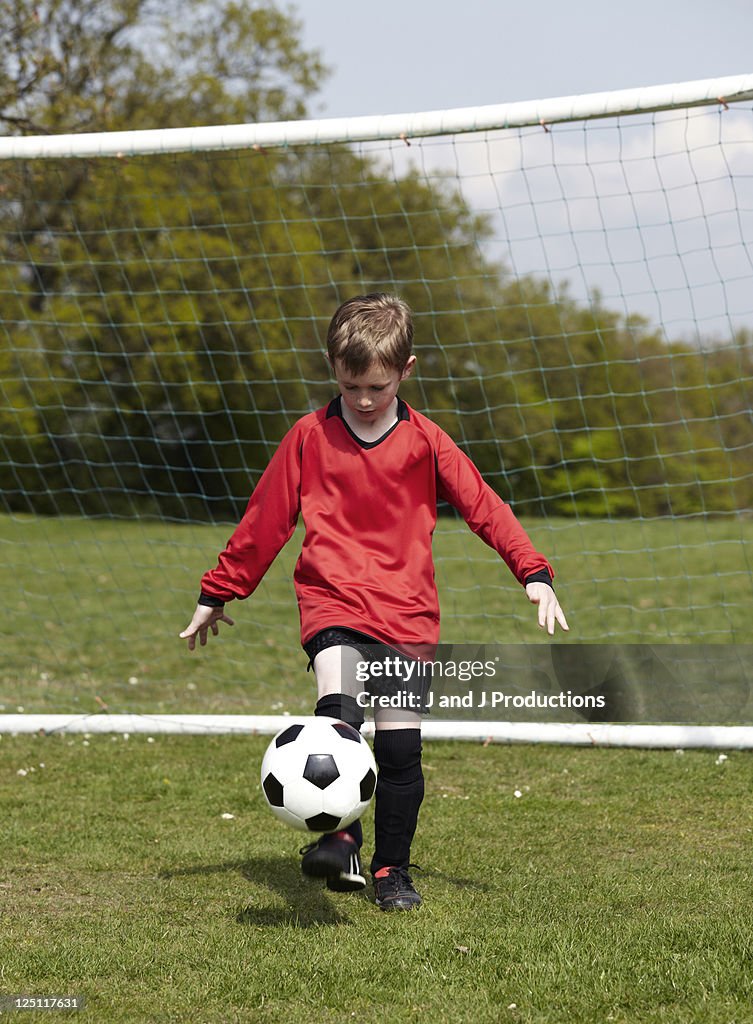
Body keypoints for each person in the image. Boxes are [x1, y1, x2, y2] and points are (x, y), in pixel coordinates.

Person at [180, 293, 568, 911]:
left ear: (406, 371)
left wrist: (533, 571)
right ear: (333, 365)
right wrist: (219, 589)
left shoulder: (427, 442)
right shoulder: (307, 438)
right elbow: (266, 520)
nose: (363, 398)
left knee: (397, 749)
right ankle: (339, 839)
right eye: (351, 383)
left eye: (378, 386)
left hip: (407, 612)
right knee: (339, 714)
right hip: (332, 601)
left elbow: (484, 506)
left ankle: (391, 871)